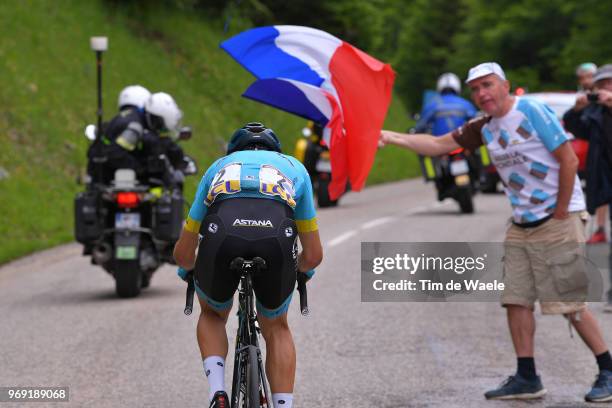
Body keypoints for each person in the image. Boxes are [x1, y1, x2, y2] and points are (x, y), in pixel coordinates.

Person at [380, 62, 612, 402]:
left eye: (487, 85)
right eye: (475, 89)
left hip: (559, 217)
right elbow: (439, 143)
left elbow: (569, 160)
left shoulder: (530, 110)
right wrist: (391, 137)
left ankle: (607, 369)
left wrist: (561, 211)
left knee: (569, 302)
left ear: (505, 85)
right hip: (522, 223)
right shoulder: (484, 126)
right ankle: (527, 376)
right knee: (515, 300)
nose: (481, 93)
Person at [173, 122, 323, 408]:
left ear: (234, 152)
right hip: (275, 236)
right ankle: (282, 405)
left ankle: (217, 393)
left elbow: (184, 251)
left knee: (213, 315)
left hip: (223, 233)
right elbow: (313, 255)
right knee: (277, 327)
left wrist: (190, 267)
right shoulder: (293, 168)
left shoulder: (219, 167)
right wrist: (300, 270)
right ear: (275, 152)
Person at [564, 64, 612, 312]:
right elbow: (574, 127)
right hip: (605, 179)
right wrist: (577, 110)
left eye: (610, 84)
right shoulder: (594, 113)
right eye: (601, 85)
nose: (605, 89)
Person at [87, 85, 151, 184]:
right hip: (130, 179)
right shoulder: (137, 123)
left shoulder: (113, 122)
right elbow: (116, 152)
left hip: (103, 180)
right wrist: (141, 169)